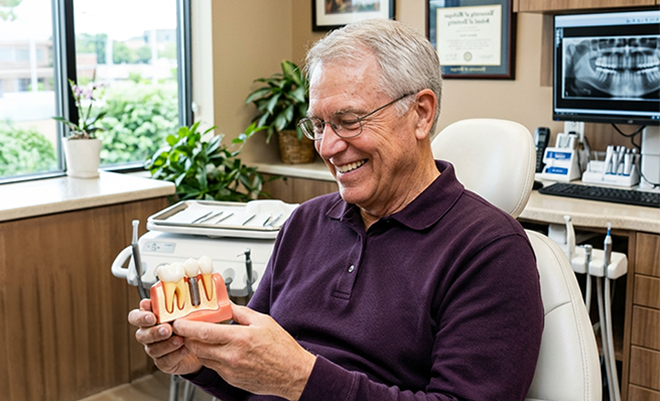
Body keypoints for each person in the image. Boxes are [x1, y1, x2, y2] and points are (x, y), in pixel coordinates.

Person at [128, 18, 544, 401]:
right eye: (319, 125)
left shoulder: (491, 251)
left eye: (348, 121)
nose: (327, 147)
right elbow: (256, 376)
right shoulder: (306, 221)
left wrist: (300, 378)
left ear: (421, 113)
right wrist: (205, 362)